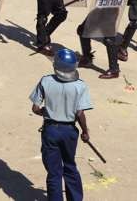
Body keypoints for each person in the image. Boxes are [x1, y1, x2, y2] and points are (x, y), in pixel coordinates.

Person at [29, 48, 93, 201]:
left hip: (50, 130)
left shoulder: (45, 81)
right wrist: (85, 132)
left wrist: (46, 112)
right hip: (69, 131)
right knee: (70, 165)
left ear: (55, 65)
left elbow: (35, 108)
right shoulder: (80, 86)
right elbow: (80, 114)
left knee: (54, 172)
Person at [76, 0, 121, 79]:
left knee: (109, 40)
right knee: (82, 30)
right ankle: (87, 57)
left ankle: (114, 69)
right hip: (99, 9)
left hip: (110, 11)